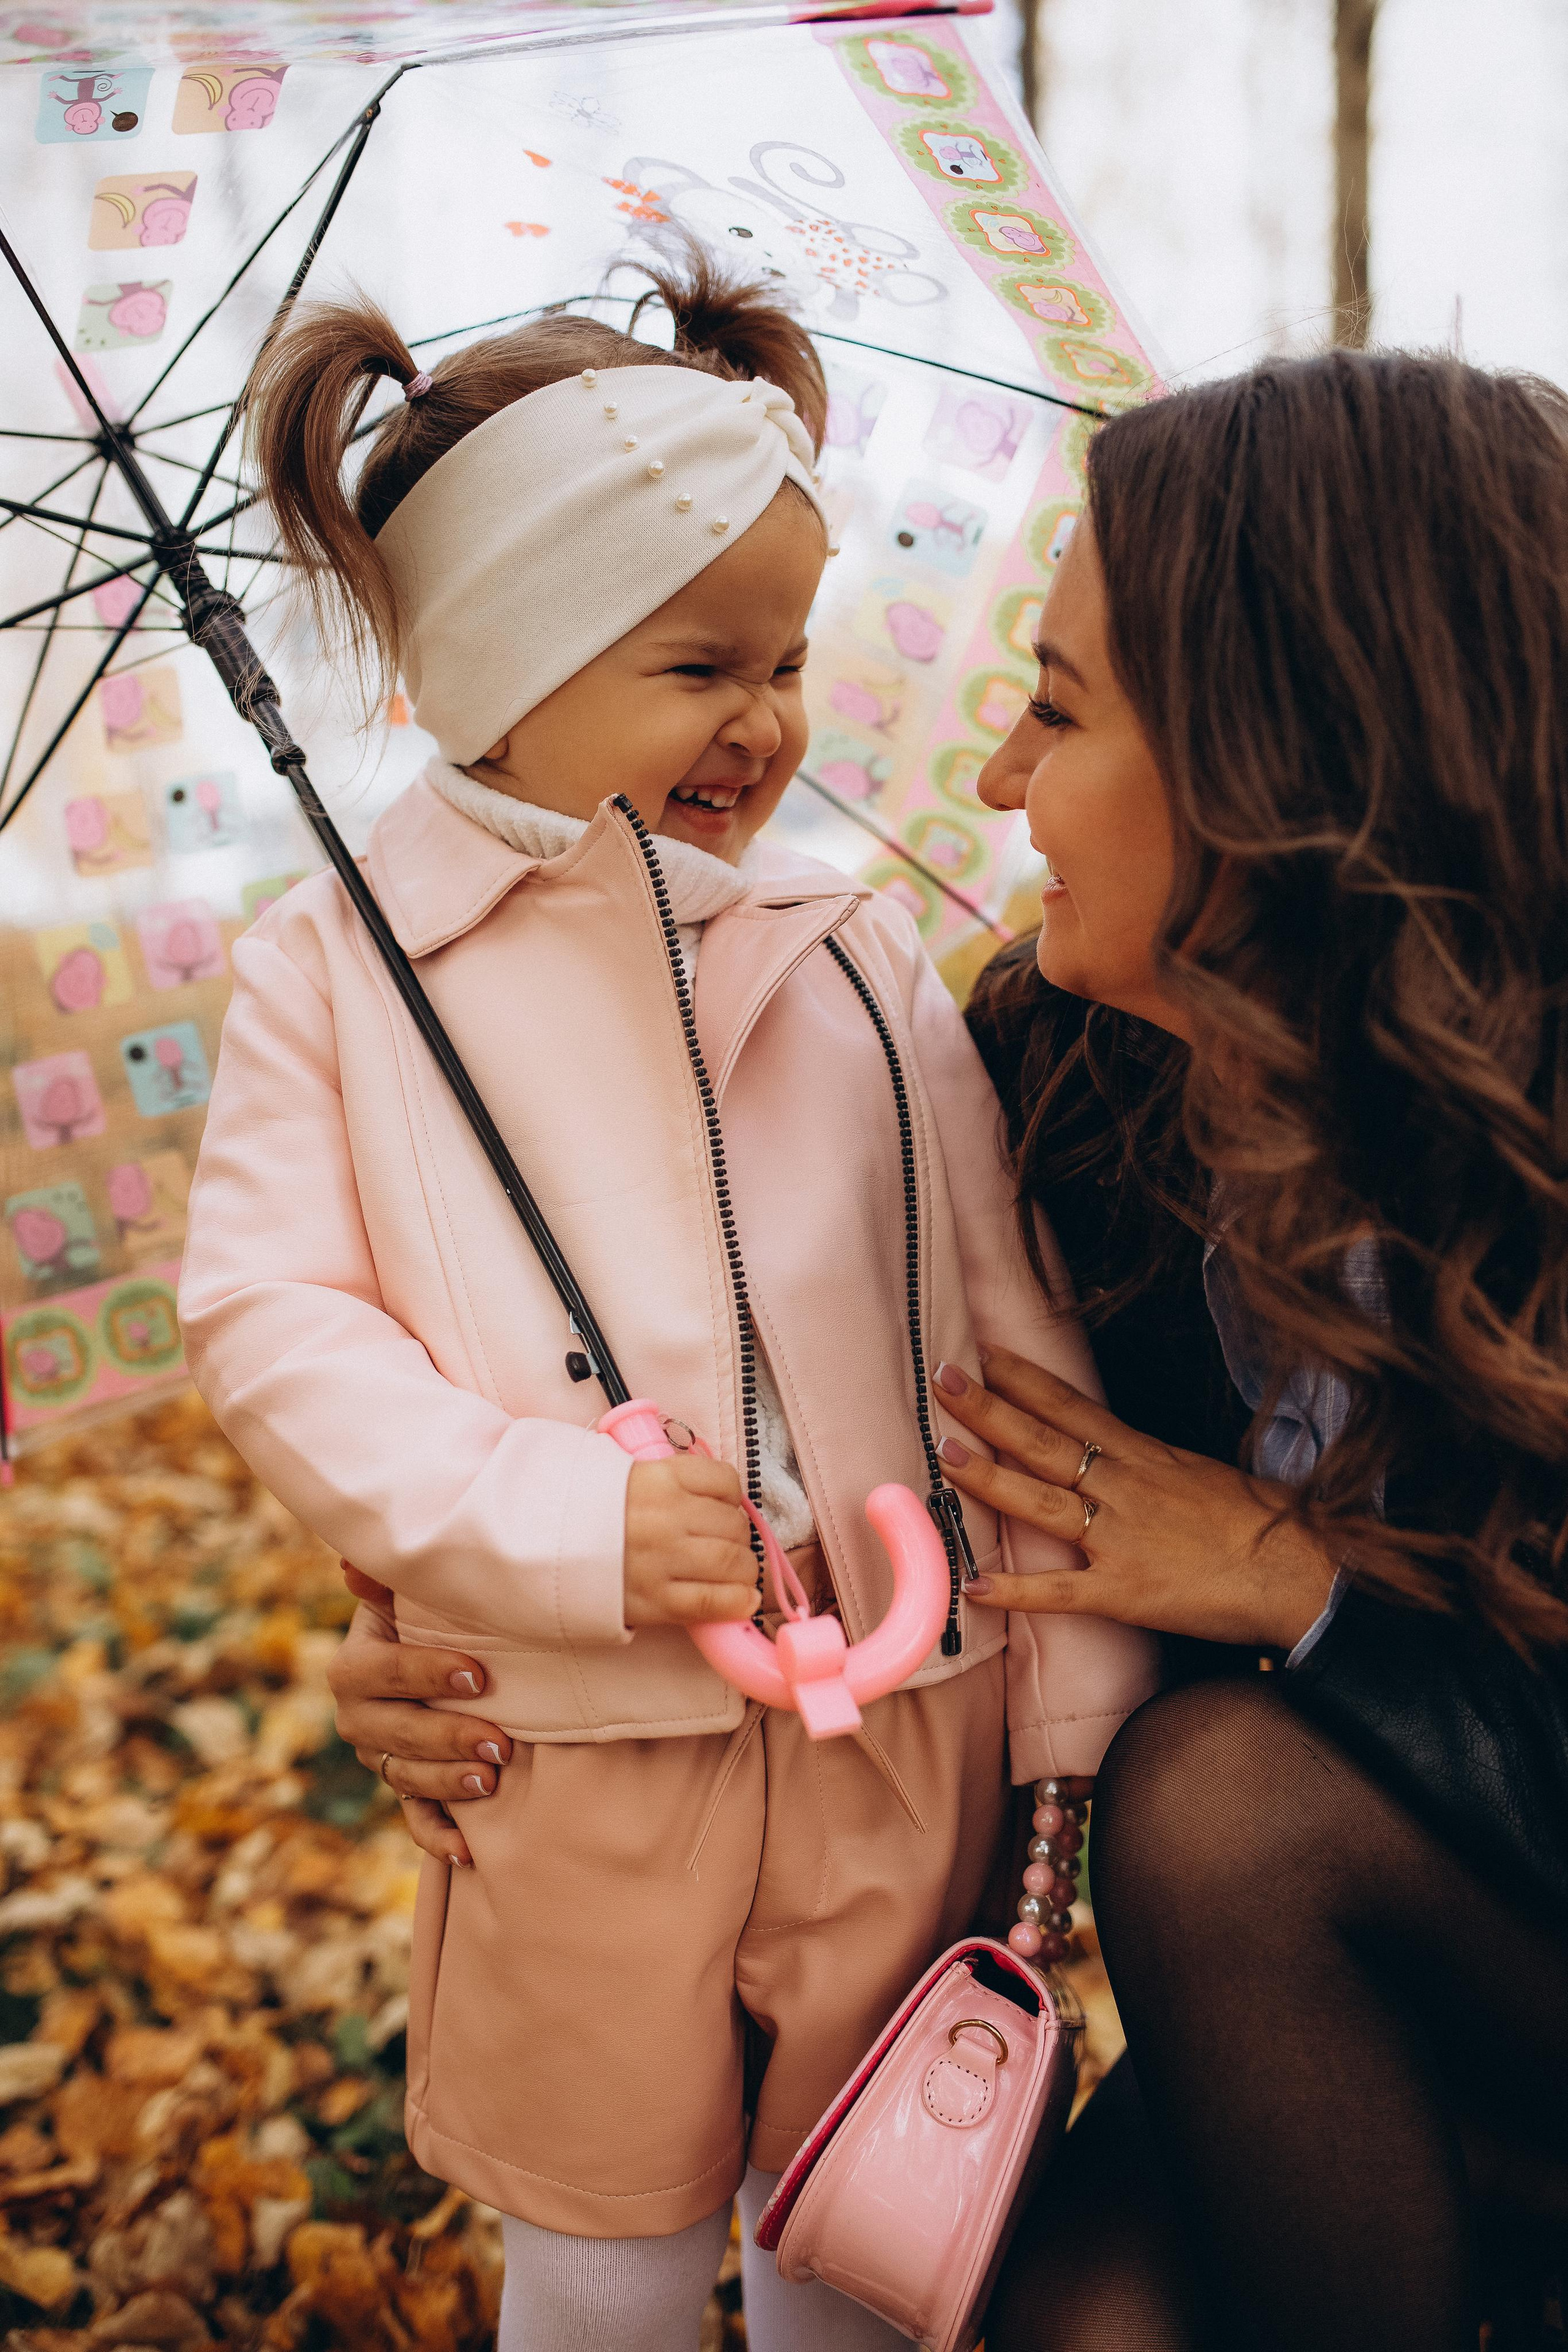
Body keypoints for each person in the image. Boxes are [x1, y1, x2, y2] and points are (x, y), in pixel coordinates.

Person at [178, 253, 1155, 2352]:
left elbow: (1009, 1333)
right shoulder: (342, 978)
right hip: (576, 1744)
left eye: (787, 661)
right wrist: (559, 1523)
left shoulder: (850, 949)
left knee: (865, 2235)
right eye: (697, 664)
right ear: (496, 660)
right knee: (603, 2255)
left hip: (906, 1716)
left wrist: (1068, 1700)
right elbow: (277, 1328)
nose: (766, 722)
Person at [936, 349, 1568, 2351]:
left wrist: (1299, 1587)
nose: (1000, 783)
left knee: (1220, 1799)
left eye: (1057, 709)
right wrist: (488, 1631)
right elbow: (777, 1391)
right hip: (1340, 1990)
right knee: (1082, 2324)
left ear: (1280, 764)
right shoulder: (1056, 1078)